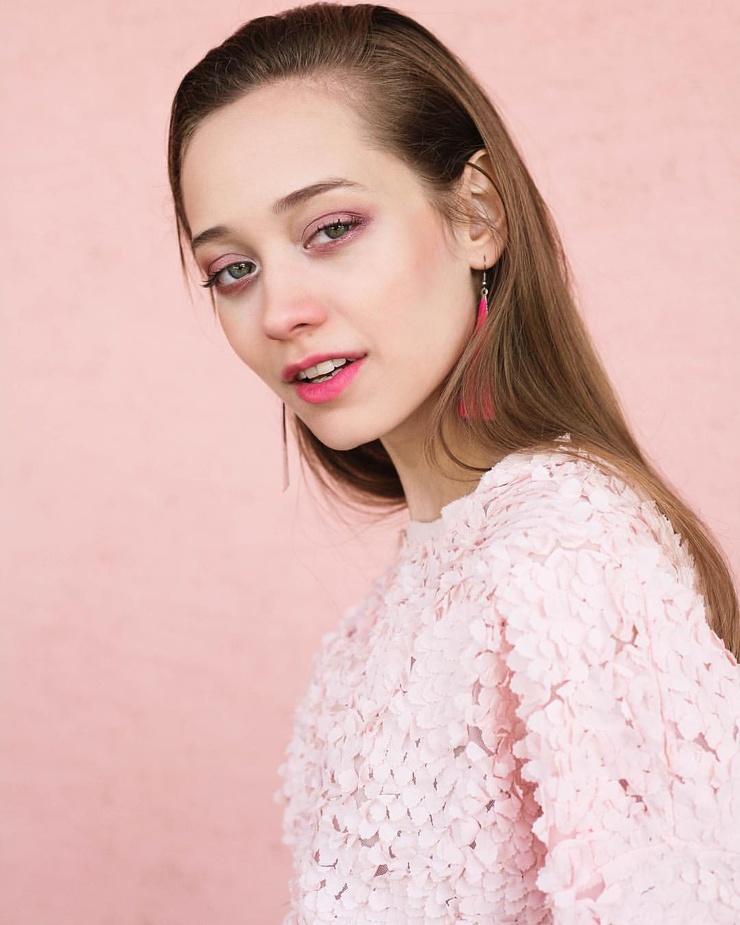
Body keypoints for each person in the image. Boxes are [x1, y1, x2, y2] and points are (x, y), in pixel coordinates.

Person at [168, 5, 740, 922]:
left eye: (330, 228)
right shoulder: (411, 595)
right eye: (233, 268)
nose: (279, 311)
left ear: (477, 214)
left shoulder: (564, 551)